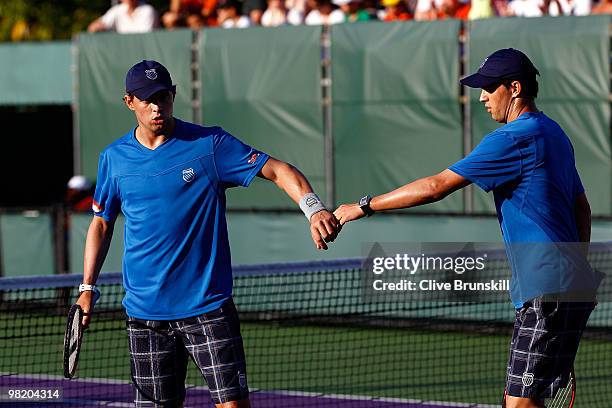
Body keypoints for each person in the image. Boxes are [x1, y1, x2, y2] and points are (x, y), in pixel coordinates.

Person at [334, 48, 602, 408]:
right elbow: (581, 208)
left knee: (520, 404)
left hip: (546, 290)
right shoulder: (554, 132)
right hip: (568, 286)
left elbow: (436, 187)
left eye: (490, 88)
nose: (482, 97)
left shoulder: (511, 139)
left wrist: (363, 206)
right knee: (522, 401)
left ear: (516, 88)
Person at [76, 60, 340, 408]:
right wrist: (87, 289)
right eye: (146, 99)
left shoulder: (210, 144)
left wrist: (313, 207)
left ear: (173, 96)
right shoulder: (113, 158)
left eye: (163, 97)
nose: (157, 106)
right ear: (129, 102)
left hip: (208, 308)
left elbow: (277, 170)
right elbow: (101, 223)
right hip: (145, 315)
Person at [88, 0, 159, 33]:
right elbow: (93, 27)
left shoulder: (148, 10)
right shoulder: (116, 10)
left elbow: (145, 35)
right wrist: (98, 27)